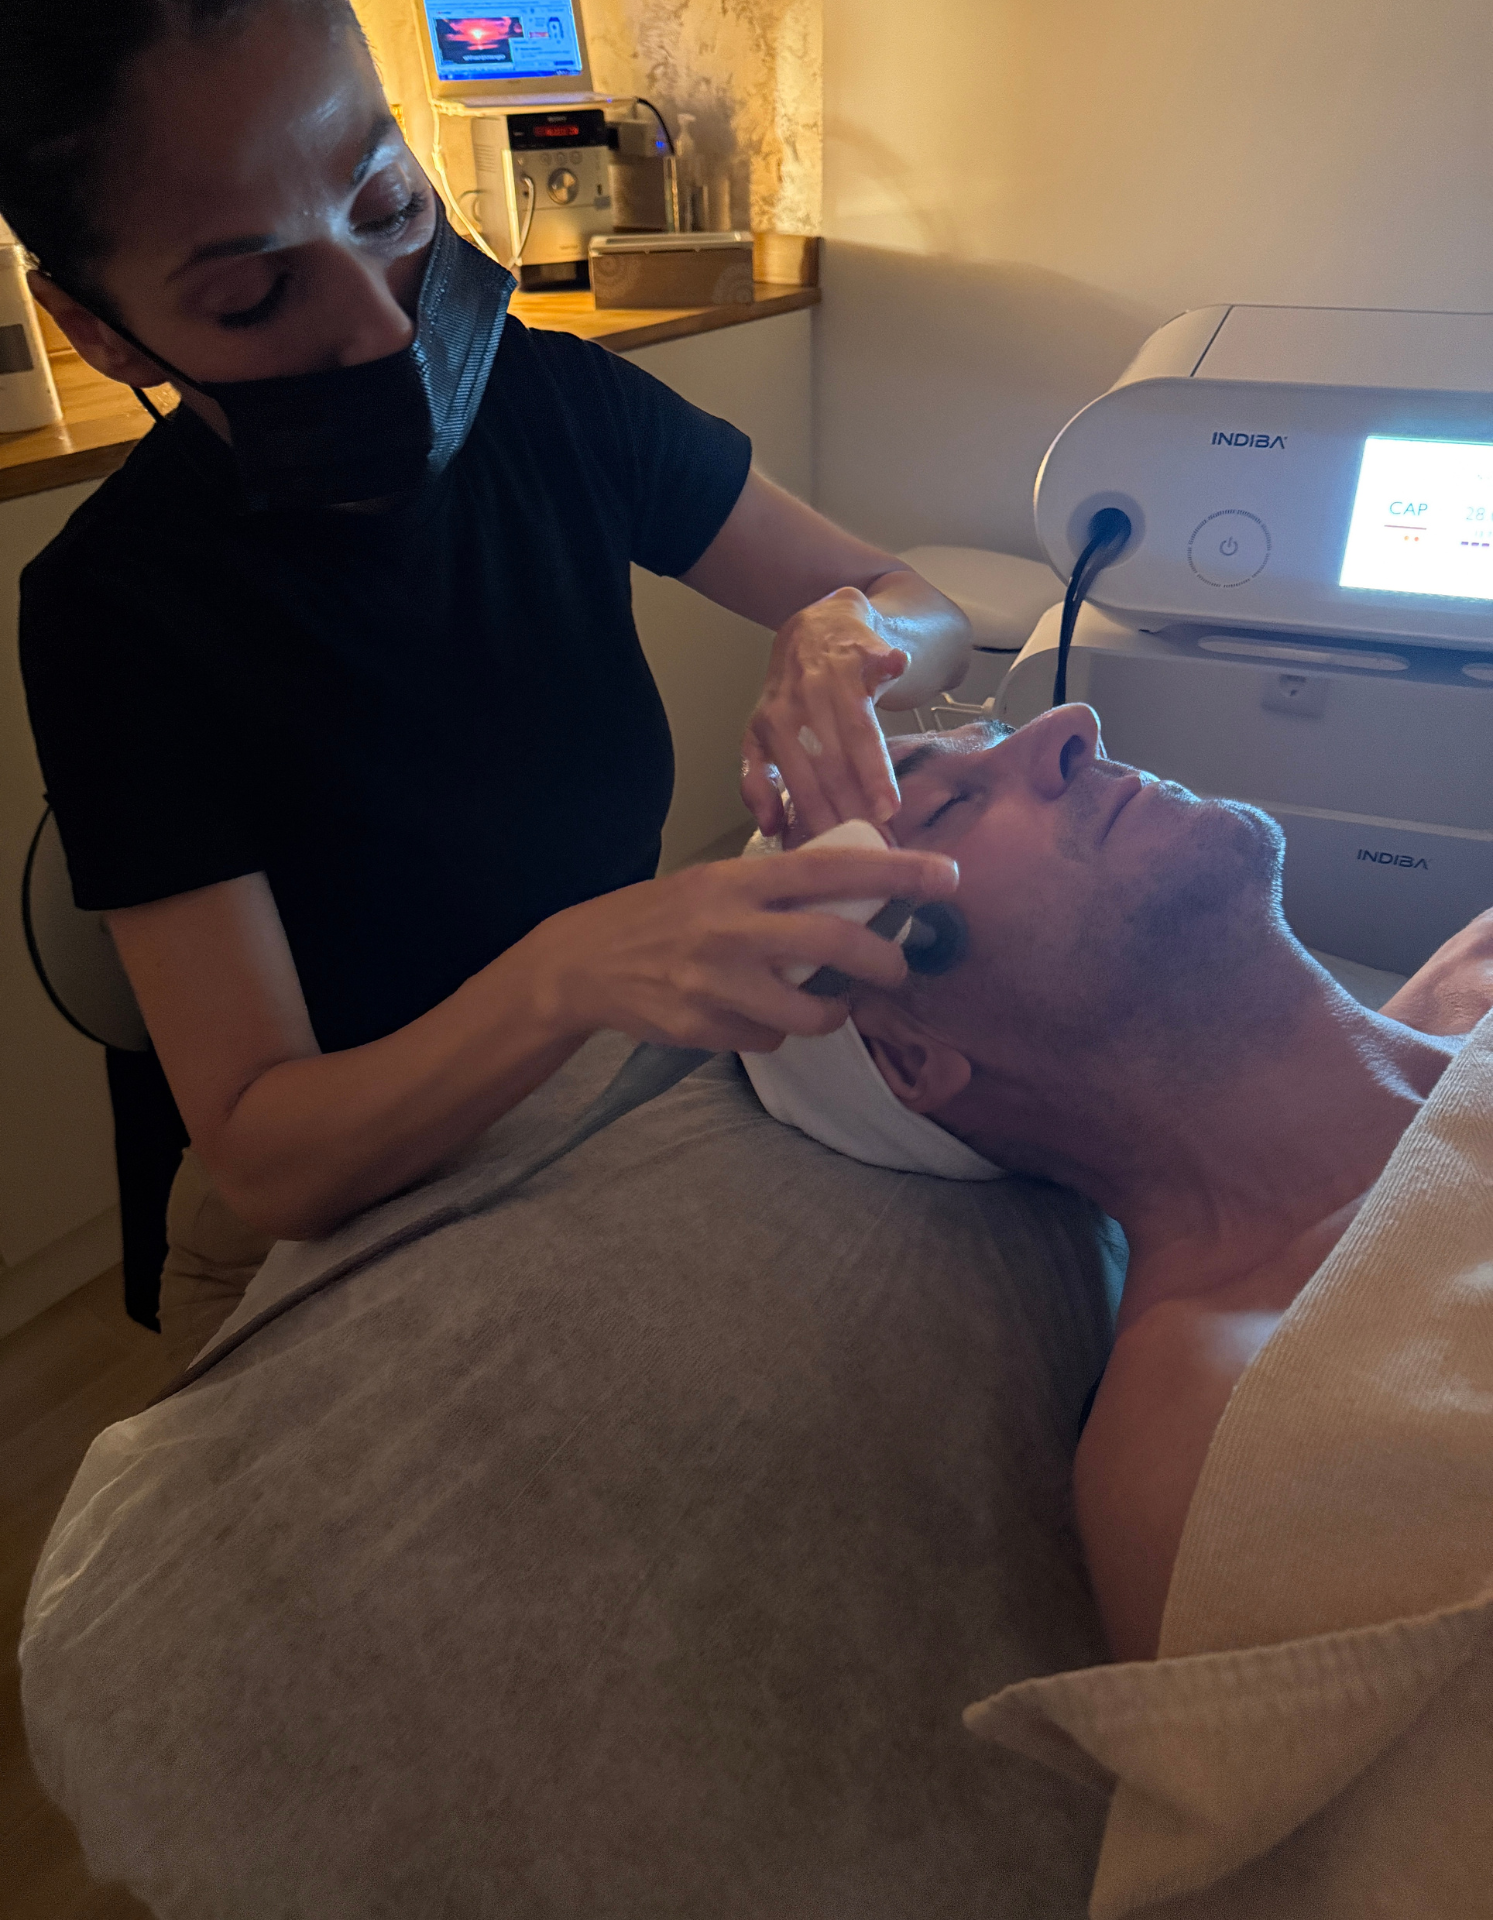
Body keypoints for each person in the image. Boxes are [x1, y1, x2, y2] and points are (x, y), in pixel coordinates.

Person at [0, 0, 968, 1337]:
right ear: (99, 329)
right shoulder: (116, 609)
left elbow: (926, 609)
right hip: (335, 1194)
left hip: (593, 1075)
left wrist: (844, 629)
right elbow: (266, 1158)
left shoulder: (550, 404)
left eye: (386, 205)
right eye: (251, 295)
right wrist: (563, 973)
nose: (381, 327)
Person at [750, 703, 1492, 1662]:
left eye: (998, 735)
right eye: (943, 807)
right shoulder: (1226, 1441)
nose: (1071, 726)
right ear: (906, 1054)